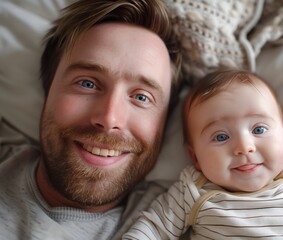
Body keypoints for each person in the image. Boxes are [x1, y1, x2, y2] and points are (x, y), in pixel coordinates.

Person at [0, 0, 181, 239]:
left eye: (141, 97)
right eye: (87, 83)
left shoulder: (180, 222)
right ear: (48, 90)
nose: (109, 118)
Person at [122, 68, 283, 239]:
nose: (244, 146)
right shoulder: (193, 190)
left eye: (259, 129)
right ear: (196, 158)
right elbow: (155, 227)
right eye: (221, 137)